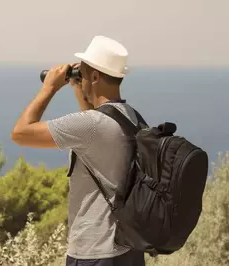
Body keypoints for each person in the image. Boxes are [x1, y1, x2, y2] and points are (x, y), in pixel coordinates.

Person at [11, 35, 145, 266]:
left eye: (82, 72)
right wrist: (81, 92)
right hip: (127, 249)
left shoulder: (91, 126)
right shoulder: (131, 116)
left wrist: (49, 88)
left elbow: (21, 133)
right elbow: (93, 137)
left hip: (95, 253)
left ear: (94, 76)